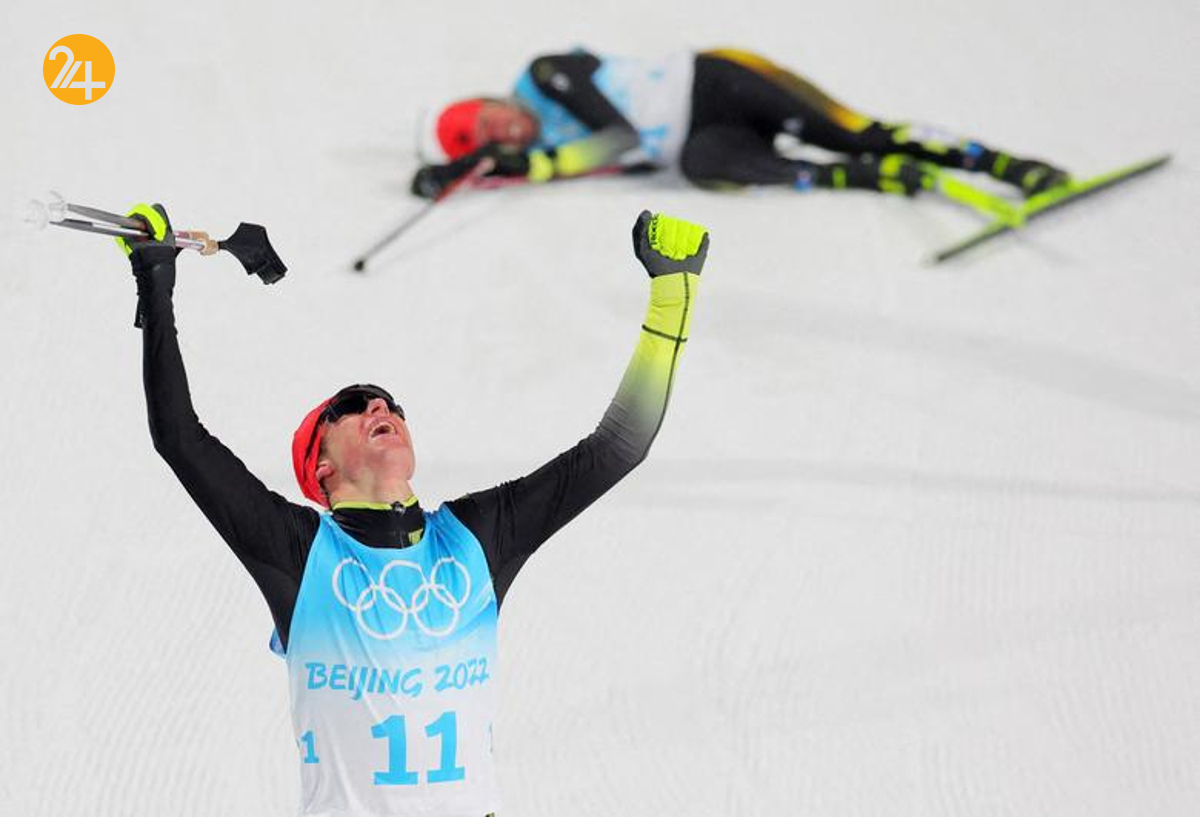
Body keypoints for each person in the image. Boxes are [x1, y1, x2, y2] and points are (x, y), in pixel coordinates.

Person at [120, 202, 708, 816]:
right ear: (320, 469)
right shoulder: (302, 554)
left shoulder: (476, 538)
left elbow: (618, 447)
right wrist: (156, 282)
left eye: (390, 405)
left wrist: (672, 295)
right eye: (352, 406)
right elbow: (180, 438)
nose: (381, 408)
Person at [411, 47, 1070, 202]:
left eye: (494, 121)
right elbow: (509, 169)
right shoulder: (546, 148)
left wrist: (533, 166)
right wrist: (453, 175)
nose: (509, 133)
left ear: (493, 99)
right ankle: (877, 176)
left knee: (851, 129)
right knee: (704, 165)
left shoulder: (545, 73)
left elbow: (620, 136)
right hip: (703, 137)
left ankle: (1005, 165)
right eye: (494, 140)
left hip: (719, 80)